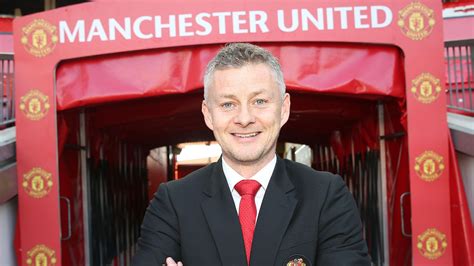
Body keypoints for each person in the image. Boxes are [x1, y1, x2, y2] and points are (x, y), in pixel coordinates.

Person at [132, 43, 370, 266]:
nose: (244, 119)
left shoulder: (326, 195)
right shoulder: (173, 202)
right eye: (228, 104)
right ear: (208, 114)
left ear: (284, 109)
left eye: (259, 101)